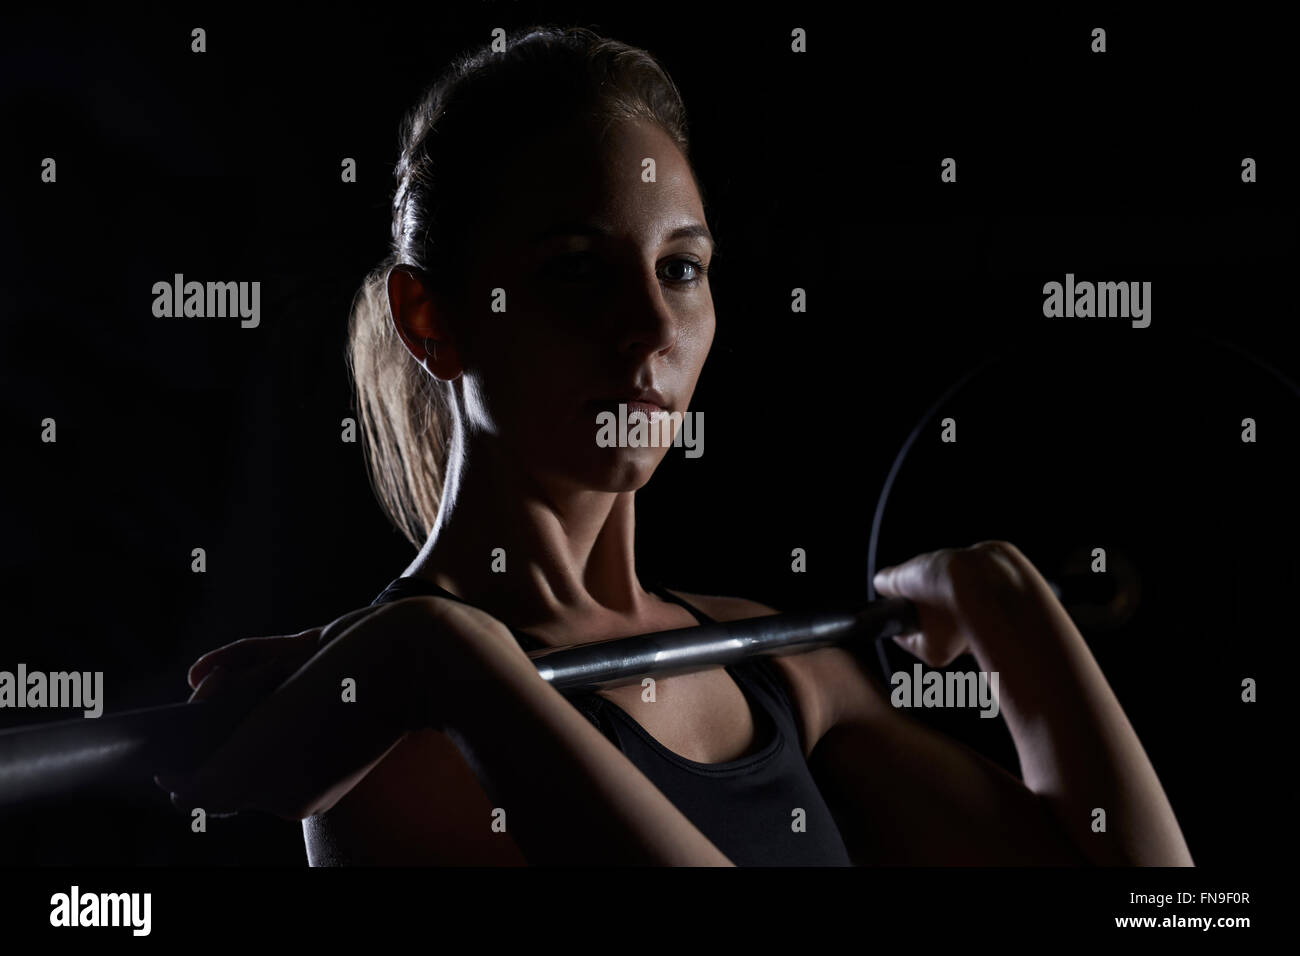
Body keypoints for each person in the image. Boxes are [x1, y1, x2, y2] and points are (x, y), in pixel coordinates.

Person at [155, 26, 1193, 867]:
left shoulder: (778, 668)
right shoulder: (391, 738)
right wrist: (450, 661)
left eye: (681, 269)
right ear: (433, 320)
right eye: (575, 269)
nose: (649, 331)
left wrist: (1013, 604)